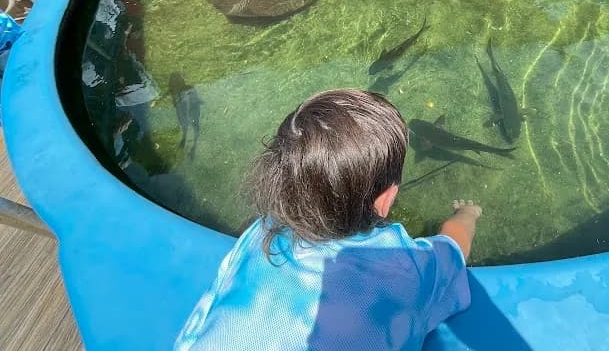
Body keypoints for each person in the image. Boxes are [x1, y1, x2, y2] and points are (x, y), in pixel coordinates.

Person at [174, 89, 482, 350]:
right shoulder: (405, 270)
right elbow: (454, 247)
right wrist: (466, 214)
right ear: (386, 200)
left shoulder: (263, 231)